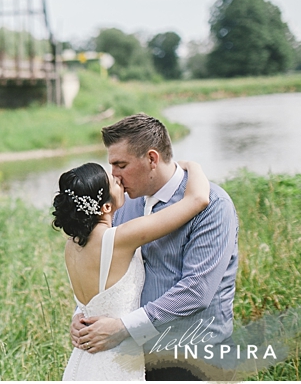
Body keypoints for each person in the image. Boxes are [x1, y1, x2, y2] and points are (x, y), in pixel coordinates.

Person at [71, 114, 239, 380]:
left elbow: (197, 290)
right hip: (137, 359)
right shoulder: (123, 205)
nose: (113, 176)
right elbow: (104, 268)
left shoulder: (213, 205)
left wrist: (124, 327)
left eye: (121, 164)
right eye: (111, 164)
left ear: (151, 158)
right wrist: (83, 314)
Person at [54, 160, 210, 380]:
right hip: (115, 358)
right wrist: (193, 166)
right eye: (114, 183)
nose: (119, 179)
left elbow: (89, 302)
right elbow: (198, 199)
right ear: (105, 207)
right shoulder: (120, 238)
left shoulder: (71, 246)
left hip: (84, 358)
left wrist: (78, 316)